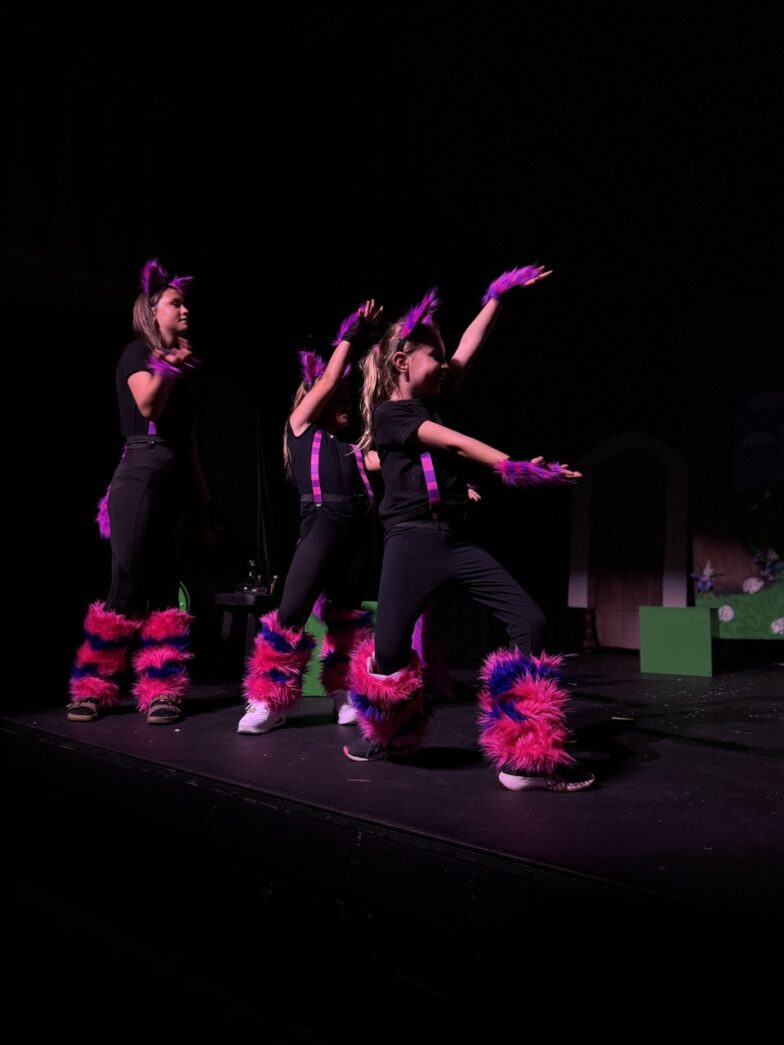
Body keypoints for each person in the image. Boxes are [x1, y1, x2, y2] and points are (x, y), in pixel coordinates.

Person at [346, 268, 595, 792]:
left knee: (528, 619)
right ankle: (387, 734)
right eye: (432, 357)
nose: (444, 365)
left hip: (453, 541)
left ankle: (523, 755)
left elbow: (466, 350)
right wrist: (514, 466)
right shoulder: (392, 414)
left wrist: (496, 298)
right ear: (400, 362)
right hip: (411, 543)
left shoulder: (430, 393)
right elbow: (452, 442)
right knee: (388, 652)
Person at [67, 259, 209, 725]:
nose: (184, 309)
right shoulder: (136, 354)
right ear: (152, 312)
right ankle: (91, 688)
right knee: (126, 585)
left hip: (176, 481)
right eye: (175, 303)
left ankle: (162, 690)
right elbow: (147, 402)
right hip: (139, 471)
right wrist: (166, 365)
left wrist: (205, 502)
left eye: (184, 303)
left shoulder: (183, 371)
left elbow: (187, 442)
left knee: (168, 592)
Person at [238, 301, 383, 734]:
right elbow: (331, 379)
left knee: (348, 615)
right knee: (292, 611)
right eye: (338, 397)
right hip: (321, 524)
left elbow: (395, 460)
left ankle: (343, 693)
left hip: (356, 533)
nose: (347, 405)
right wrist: (352, 335)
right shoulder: (300, 428)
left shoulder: (353, 451)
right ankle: (269, 700)